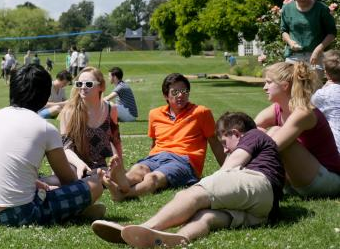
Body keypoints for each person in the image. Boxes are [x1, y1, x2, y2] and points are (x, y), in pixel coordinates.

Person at [92, 112, 285, 248]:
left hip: (257, 183)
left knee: (192, 195)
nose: (225, 149)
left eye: (225, 143)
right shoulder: (263, 145)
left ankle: (142, 229)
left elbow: (230, 166)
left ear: (235, 133)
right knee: (207, 217)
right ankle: (179, 239)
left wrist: (198, 189)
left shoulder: (253, 135)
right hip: (265, 211)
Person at [0, 64, 105, 226]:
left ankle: (76, 211)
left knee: (46, 187)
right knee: (94, 185)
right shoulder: (44, 128)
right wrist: (89, 179)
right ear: (45, 96)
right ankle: (78, 210)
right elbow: (68, 179)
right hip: (20, 213)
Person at [103, 73, 223, 201]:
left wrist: (227, 168)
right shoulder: (155, 114)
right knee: (139, 169)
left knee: (153, 178)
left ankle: (122, 192)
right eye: (175, 92)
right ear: (166, 95)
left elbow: (214, 141)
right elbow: (154, 143)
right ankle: (123, 180)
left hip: (183, 161)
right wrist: (149, 160)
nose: (180, 95)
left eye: (184, 91)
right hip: (156, 157)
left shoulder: (201, 113)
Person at [256, 62, 340, 197]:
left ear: (284, 85)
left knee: (275, 133)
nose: (264, 87)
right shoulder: (278, 109)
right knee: (261, 133)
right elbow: (250, 128)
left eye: (269, 82)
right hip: (300, 180)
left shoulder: (303, 112)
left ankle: (253, 183)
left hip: (327, 180)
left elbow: (271, 147)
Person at [58, 67, 122, 178]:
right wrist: (79, 164)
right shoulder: (69, 112)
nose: (82, 87)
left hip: (100, 168)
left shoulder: (111, 109)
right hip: (73, 166)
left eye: (88, 84)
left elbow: (116, 140)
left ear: (101, 86)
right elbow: (64, 148)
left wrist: (120, 167)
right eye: (79, 84)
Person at [281, 0, 337, 77]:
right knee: (291, 89)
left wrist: (318, 50)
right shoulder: (287, 9)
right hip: (293, 56)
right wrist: (290, 42)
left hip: (315, 56)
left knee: (313, 90)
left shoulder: (321, 8)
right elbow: (284, 30)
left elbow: (332, 33)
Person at [311, 50, 340, 151]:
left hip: (334, 148)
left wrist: (323, 88)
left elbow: (308, 108)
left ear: (326, 73)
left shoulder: (323, 94)